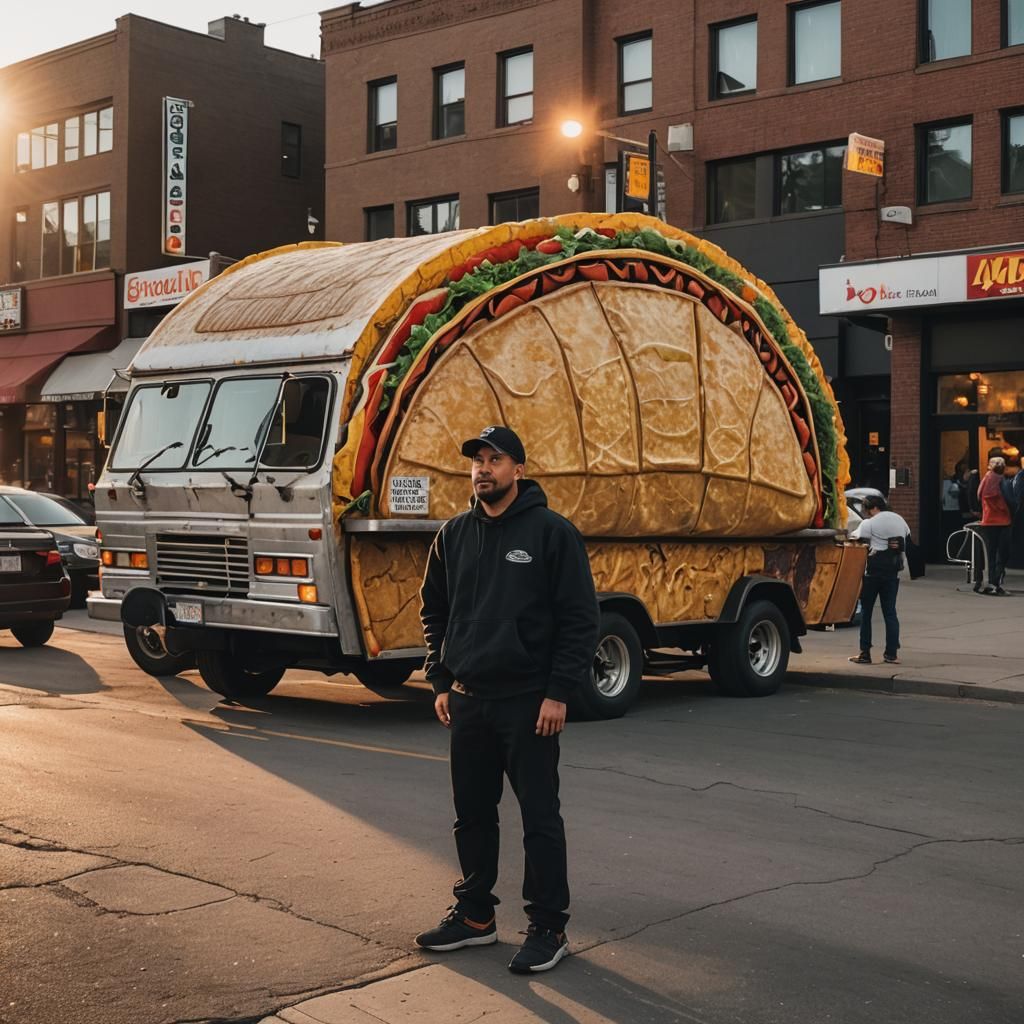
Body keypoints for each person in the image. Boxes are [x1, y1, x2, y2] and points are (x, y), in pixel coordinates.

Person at [416, 425, 600, 974]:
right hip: (468, 700)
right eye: (477, 460)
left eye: (495, 460)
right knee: (472, 815)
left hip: (528, 704)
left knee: (539, 816)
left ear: (518, 469)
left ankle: (549, 926)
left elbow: (579, 619)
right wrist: (440, 679)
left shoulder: (550, 533)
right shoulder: (452, 534)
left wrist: (558, 692)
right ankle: (475, 917)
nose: (483, 469)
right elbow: (434, 613)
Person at [848, 494, 910, 665]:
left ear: (872, 508)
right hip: (892, 572)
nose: (867, 514)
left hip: (873, 572)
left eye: (867, 510)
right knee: (890, 612)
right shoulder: (900, 519)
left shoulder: (870, 523)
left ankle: (865, 653)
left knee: (867, 612)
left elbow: (855, 537)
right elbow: (905, 540)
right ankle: (891, 654)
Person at [976, 457, 1014, 595]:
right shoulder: (1001, 480)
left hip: (988, 521)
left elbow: (979, 496)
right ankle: (995, 583)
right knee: (1002, 554)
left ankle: (989, 583)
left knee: (990, 554)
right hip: (1003, 521)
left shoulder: (985, 479)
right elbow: (1010, 500)